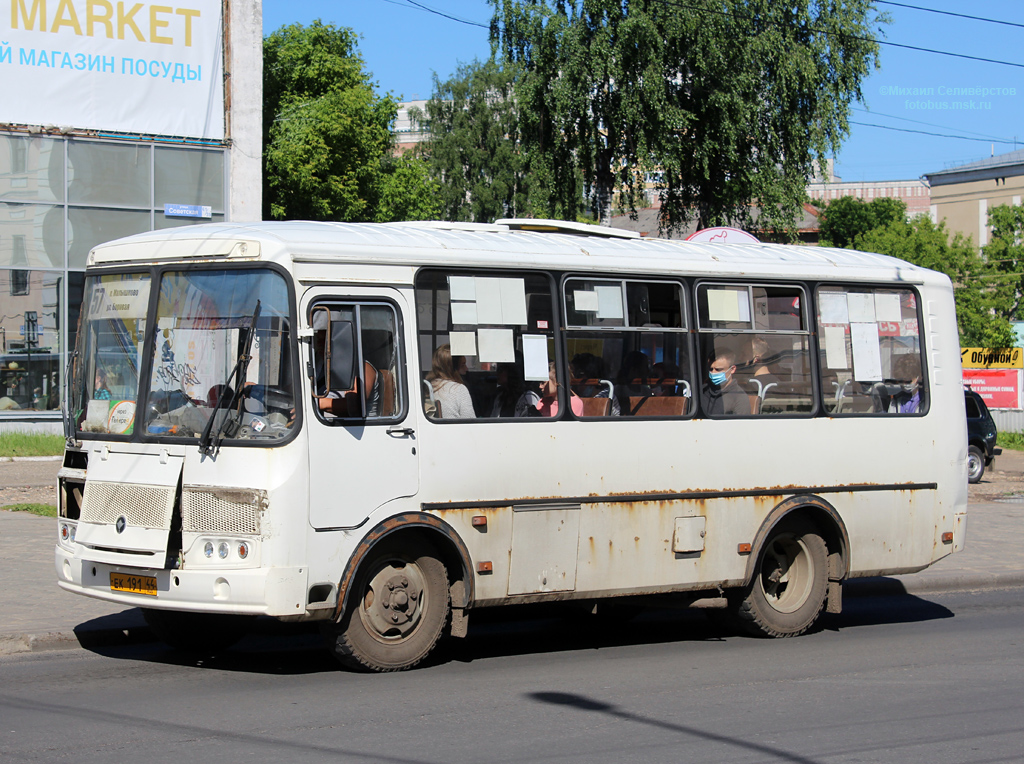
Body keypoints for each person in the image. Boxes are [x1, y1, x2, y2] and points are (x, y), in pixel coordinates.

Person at [426, 344, 475, 419]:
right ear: (452, 368)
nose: (466, 369)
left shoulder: (427, 386)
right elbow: (470, 422)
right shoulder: (459, 389)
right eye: (462, 365)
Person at [702, 348, 750, 415]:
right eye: (711, 369)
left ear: (732, 369)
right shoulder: (702, 391)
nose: (713, 372)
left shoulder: (739, 397)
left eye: (718, 370)